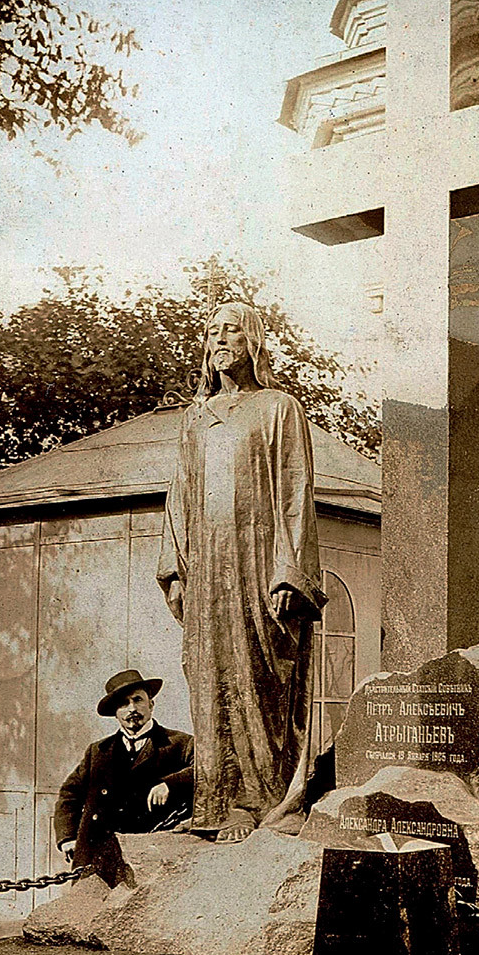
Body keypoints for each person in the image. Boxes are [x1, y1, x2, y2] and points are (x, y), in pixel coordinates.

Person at [157, 301, 327, 841]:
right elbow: (179, 496)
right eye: (212, 332)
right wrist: (176, 570)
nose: (220, 340)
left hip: (259, 564)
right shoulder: (196, 418)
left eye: (231, 330)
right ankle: (216, 802)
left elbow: (296, 490)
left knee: (261, 679)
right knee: (210, 677)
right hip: (208, 568)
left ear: (252, 341)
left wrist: (289, 571)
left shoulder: (279, 408)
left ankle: (261, 802)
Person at [54, 669, 194, 866]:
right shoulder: (98, 751)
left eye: (138, 700)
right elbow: (69, 794)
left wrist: (170, 784)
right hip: (98, 852)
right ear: (115, 712)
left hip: (156, 855)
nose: (132, 709)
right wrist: (67, 837)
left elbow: (206, 771)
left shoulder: (180, 743)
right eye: (123, 704)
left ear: (151, 704)